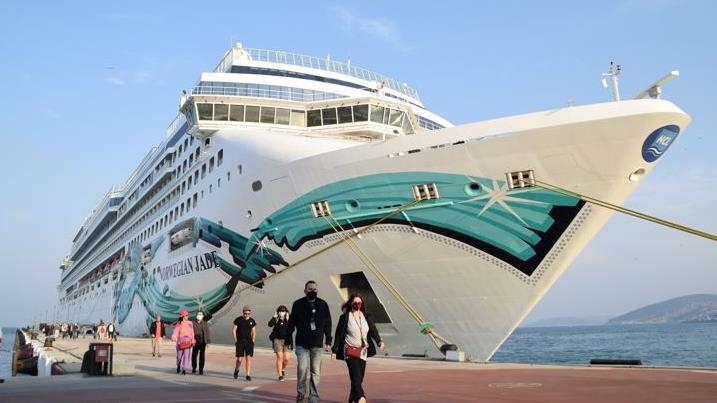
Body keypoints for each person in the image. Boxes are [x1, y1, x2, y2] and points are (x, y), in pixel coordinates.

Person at [332, 293, 385, 403]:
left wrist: (379, 341)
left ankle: (352, 398)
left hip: (363, 351)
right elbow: (338, 334)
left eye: (359, 303)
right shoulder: (345, 317)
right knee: (355, 375)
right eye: (355, 302)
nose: (357, 304)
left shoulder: (366, 316)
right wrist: (335, 350)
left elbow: (373, 330)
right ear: (351, 303)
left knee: (359, 377)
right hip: (349, 350)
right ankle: (361, 397)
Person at [287, 280, 332, 403]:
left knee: (315, 371)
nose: (312, 291)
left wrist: (328, 339)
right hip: (302, 342)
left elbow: (328, 323)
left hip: (317, 343)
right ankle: (301, 393)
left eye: (314, 289)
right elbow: (291, 323)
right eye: (310, 289)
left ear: (317, 290)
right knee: (302, 368)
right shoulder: (297, 304)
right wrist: (288, 339)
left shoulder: (323, 304)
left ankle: (313, 396)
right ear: (305, 290)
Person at [232, 305, 256, 381]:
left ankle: (248, 375)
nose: (246, 315)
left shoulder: (252, 321)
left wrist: (253, 341)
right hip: (240, 341)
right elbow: (234, 330)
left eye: (248, 314)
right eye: (245, 313)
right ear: (243, 313)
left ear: (250, 313)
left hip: (249, 342)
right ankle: (236, 369)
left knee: (248, 358)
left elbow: (254, 332)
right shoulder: (238, 320)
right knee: (239, 359)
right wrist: (235, 340)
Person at [268, 304, 292, 381]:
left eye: (283, 311)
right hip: (277, 340)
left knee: (286, 358)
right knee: (280, 357)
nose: (282, 313)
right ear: (278, 312)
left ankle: (283, 369)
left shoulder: (288, 319)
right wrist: (274, 317)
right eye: (280, 311)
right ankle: (280, 375)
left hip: (287, 341)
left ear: (286, 312)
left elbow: (292, 329)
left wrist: (288, 320)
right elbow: (269, 325)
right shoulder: (276, 319)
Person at [171, 310, 195, 375]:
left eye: (187, 315)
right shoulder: (179, 323)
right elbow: (176, 331)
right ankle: (178, 365)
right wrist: (174, 336)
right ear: (183, 316)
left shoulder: (190, 323)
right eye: (186, 315)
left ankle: (184, 369)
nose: (187, 316)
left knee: (186, 356)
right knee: (179, 356)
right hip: (180, 342)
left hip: (188, 342)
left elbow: (192, 332)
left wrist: (193, 340)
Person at [192, 309, 211, 375]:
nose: (199, 316)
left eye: (200, 314)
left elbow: (207, 333)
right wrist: (191, 340)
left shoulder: (205, 323)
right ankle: (194, 368)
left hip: (203, 342)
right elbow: (191, 332)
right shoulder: (193, 323)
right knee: (194, 355)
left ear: (203, 316)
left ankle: (201, 370)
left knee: (202, 356)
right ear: (196, 315)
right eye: (198, 314)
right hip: (195, 342)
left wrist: (208, 342)